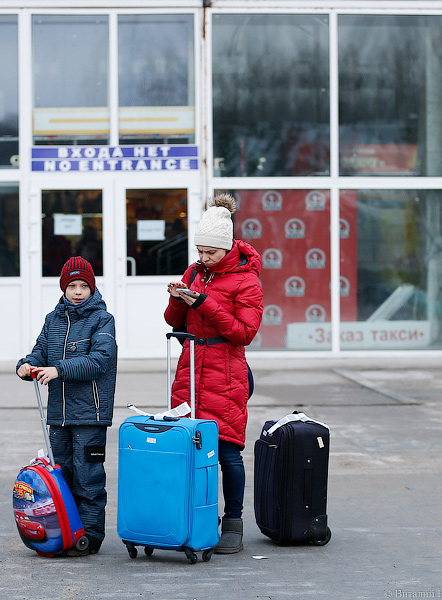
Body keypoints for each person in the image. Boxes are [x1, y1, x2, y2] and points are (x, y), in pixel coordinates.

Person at [164, 193, 263, 554]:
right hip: (190, 369)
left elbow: (244, 334)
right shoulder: (194, 272)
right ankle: (198, 518)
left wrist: (205, 303)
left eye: (210, 253)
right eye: (200, 251)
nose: (203, 259)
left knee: (227, 450)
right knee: (189, 449)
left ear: (226, 249)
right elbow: (173, 322)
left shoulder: (247, 281)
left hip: (226, 371)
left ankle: (233, 520)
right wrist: (178, 298)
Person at [16, 256, 117, 556]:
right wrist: (26, 365)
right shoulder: (53, 319)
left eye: (83, 286)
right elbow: (40, 352)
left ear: (92, 288)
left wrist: (59, 369)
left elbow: (100, 360)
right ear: (63, 288)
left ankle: (90, 536)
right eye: (71, 285)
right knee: (62, 476)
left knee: (88, 478)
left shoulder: (102, 320)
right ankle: (65, 531)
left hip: (90, 415)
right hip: (59, 416)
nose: (77, 291)